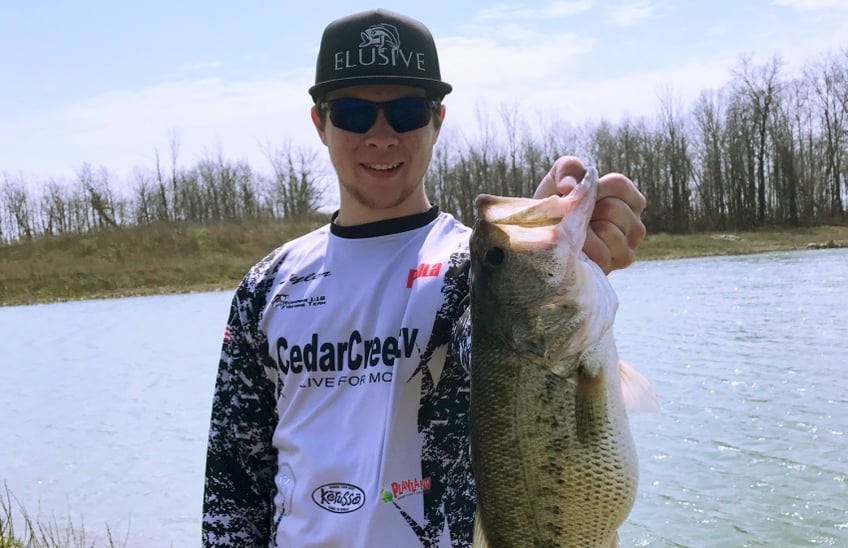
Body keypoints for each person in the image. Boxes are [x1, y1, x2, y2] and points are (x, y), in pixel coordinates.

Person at [202, 8, 646, 547]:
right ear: (320, 123)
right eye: (353, 113)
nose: (382, 136)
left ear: (438, 119)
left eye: (407, 111)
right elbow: (234, 486)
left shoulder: (471, 273)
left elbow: (525, 339)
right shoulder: (266, 287)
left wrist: (560, 225)